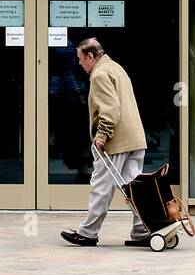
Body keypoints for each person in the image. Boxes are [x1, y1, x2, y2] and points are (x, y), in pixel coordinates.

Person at [60, 38, 149, 247]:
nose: (80, 65)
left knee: (101, 187)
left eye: (81, 60)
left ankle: (88, 233)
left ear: (91, 56)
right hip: (134, 137)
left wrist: (101, 137)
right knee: (135, 188)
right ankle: (143, 230)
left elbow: (109, 110)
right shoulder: (116, 68)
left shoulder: (99, 74)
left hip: (116, 141)